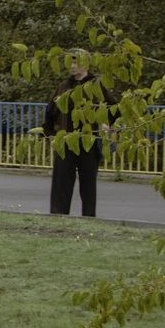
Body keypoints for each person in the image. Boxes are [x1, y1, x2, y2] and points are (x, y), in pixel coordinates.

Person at [46, 54, 110, 217]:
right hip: (66, 141)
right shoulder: (64, 86)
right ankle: (58, 215)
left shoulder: (97, 86)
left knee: (88, 183)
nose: (72, 66)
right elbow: (51, 109)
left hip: (89, 141)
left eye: (75, 63)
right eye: (70, 63)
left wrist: (107, 123)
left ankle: (89, 217)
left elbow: (113, 107)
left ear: (85, 65)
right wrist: (51, 132)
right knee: (61, 182)